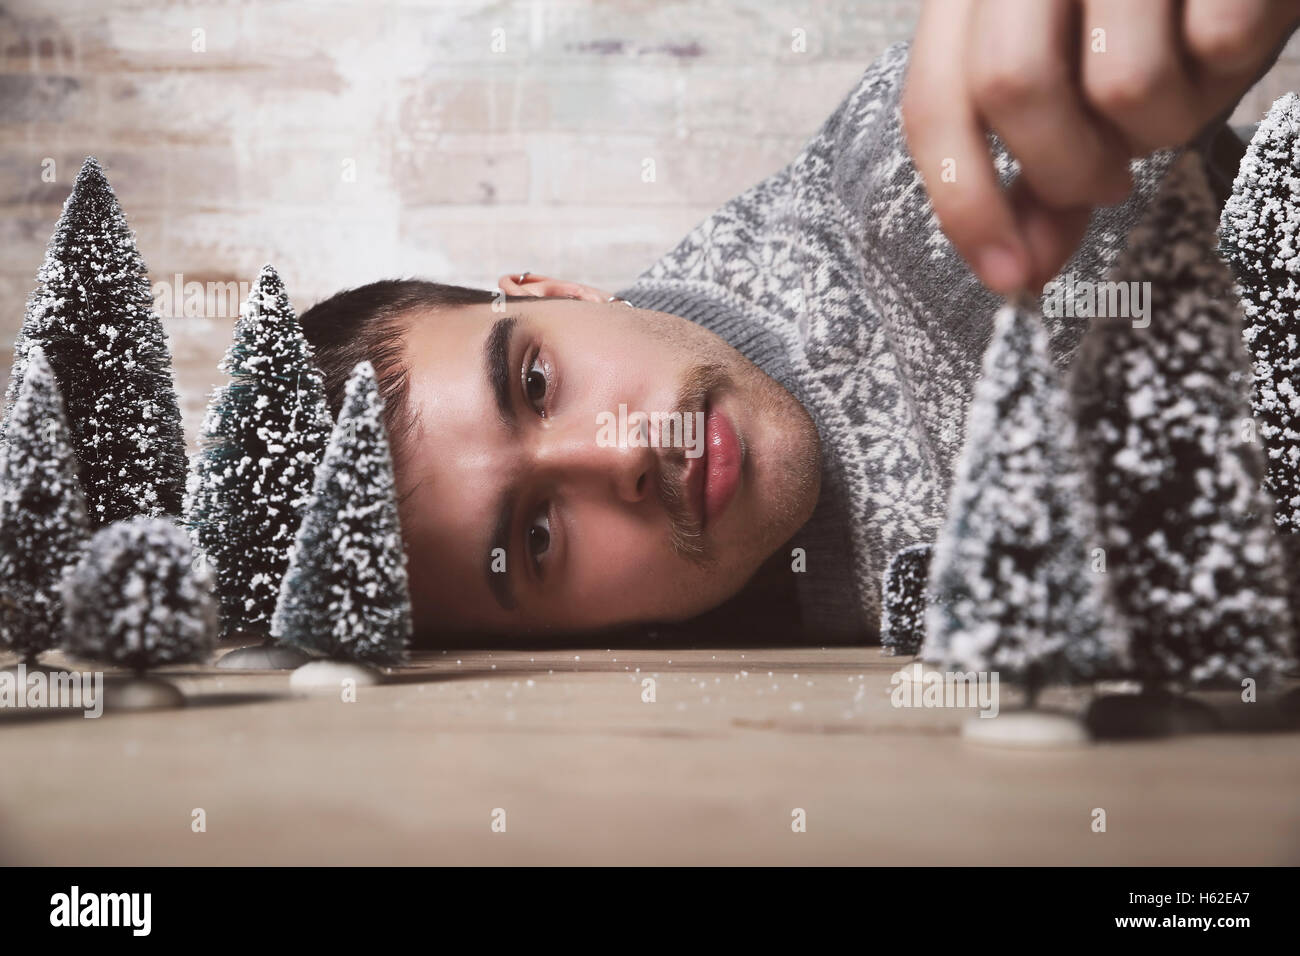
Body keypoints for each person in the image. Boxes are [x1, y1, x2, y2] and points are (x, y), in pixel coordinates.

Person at [300, 1, 1298, 645]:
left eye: (533, 384)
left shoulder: (924, 198)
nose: (622, 460)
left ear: (559, 293)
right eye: (539, 536)